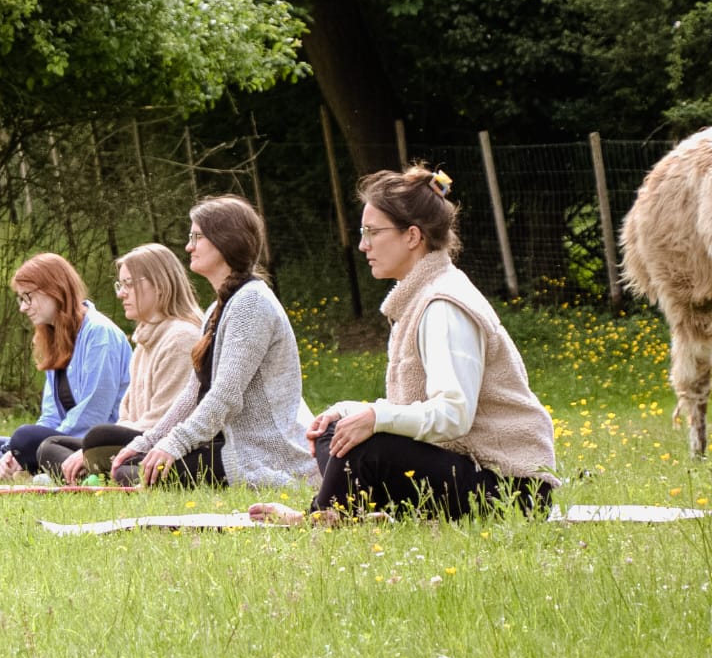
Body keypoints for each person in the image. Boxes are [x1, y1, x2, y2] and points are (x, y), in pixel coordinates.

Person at [251, 166, 559, 525]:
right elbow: (414, 409)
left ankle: (320, 518)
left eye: (372, 232)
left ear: (412, 236)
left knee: (368, 447)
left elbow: (453, 415)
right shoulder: (421, 297)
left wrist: (375, 418)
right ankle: (352, 512)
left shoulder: (444, 305)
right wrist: (352, 411)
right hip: (467, 469)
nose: (363, 244)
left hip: (510, 490)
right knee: (334, 432)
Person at [110, 196, 316, 488]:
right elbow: (194, 392)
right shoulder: (221, 307)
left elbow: (225, 395)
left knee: (137, 474)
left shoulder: (251, 303)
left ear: (224, 241)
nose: (188, 246)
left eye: (196, 237)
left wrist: (174, 444)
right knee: (132, 464)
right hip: (228, 444)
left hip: (261, 453)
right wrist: (150, 440)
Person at [34, 243, 205, 481]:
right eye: (120, 285)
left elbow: (166, 420)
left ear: (159, 284)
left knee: (98, 437)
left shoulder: (182, 337)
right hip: (135, 439)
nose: (120, 293)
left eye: (128, 285)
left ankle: (100, 472)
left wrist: (97, 447)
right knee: (48, 445)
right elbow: (125, 416)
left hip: (164, 442)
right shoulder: (144, 340)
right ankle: (101, 472)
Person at [0, 253, 131, 479]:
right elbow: (50, 416)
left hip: (94, 443)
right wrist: (14, 452)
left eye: (28, 297)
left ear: (54, 289)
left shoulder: (99, 333)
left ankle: (33, 471)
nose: (23, 307)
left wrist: (25, 446)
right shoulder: (54, 336)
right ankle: (24, 473)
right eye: (20, 299)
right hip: (60, 441)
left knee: (25, 438)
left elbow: (93, 414)